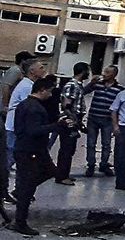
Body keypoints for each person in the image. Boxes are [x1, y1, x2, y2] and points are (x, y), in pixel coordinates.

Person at [12, 77, 67, 236]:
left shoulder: (27, 105)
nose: (50, 95)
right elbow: (33, 130)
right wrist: (57, 126)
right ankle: (20, 222)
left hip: (33, 150)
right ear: (42, 90)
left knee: (51, 172)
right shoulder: (34, 108)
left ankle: (20, 191)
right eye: (49, 91)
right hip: (30, 151)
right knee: (28, 188)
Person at [0, 51, 32, 202]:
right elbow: (6, 87)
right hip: (9, 115)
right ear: (24, 61)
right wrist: (5, 106)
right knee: (9, 151)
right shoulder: (15, 71)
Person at [5, 59, 46, 174]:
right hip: (14, 126)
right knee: (12, 153)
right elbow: (28, 108)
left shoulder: (29, 84)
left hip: (16, 125)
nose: (44, 70)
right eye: (41, 68)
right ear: (32, 71)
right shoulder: (27, 87)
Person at [82, 65, 123, 177]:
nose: (104, 74)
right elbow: (83, 92)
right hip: (93, 118)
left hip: (108, 120)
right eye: (104, 71)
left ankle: (104, 165)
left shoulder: (119, 89)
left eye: (108, 72)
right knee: (90, 143)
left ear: (114, 75)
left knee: (106, 144)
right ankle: (90, 165)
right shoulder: (97, 84)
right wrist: (91, 83)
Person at [54, 62, 91, 185]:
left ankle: (64, 173)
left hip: (74, 119)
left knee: (70, 149)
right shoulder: (72, 85)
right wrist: (74, 120)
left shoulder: (78, 85)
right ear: (83, 71)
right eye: (87, 71)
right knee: (66, 149)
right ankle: (61, 176)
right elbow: (67, 105)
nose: (88, 74)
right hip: (69, 121)